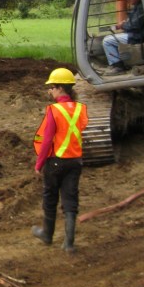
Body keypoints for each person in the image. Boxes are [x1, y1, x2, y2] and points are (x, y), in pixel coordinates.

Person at [31, 67, 88, 253]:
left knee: (50, 197)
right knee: (70, 200)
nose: (50, 91)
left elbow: (47, 139)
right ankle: (69, 243)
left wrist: (39, 164)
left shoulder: (54, 110)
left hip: (56, 161)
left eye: (52, 87)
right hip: (75, 161)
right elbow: (79, 129)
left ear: (60, 88)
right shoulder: (80, 109)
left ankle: (47, 235)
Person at [102, 0, 144, 75]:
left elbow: (135, 25)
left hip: (136, 36)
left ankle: (118, 67)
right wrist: (126, 23)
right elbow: (133, 22)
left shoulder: (141, 8)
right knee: (110, 38)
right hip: (134, 33)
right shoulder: (137, 7)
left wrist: (122, 25)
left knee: (107, 41)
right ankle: (116, 64)